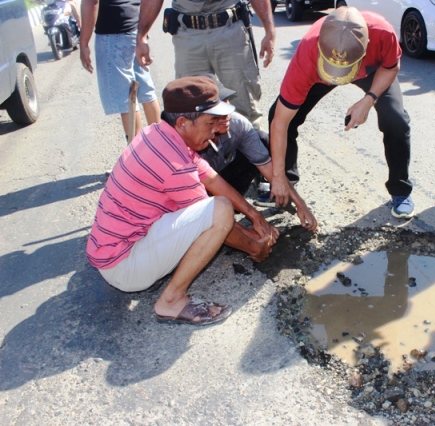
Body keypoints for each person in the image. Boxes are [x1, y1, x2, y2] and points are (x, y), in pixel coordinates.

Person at [86, 77, 280, 325]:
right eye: (210, 122)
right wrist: (256, 247)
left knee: (216, 206)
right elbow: (214, 217)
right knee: (219, 209)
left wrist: (255, 216)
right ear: (182, 123)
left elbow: (210, 177)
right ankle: (171, 301)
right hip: (124, 266)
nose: (215, 130)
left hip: (119, 248)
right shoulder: (173, 164)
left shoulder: (158, 133)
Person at [266, 6, 415, 219]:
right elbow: (280, 122)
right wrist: (277, 175)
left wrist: (369, 100)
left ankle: (400, 191)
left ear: (367, 46)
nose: (341, 78)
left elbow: (391, 66)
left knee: (396, 120)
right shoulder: (308, 52)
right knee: (279, 114)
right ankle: (286, 185)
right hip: (319, 71)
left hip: (371, 71)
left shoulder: (384, 34)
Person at [197, 77, 318, 229]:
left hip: (220, 178)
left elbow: (266, 165)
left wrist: (301, 204)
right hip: (196, 193)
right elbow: (208, 183)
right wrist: (252, 221)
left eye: (226, 102)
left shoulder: (237, 124)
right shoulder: (188, 141)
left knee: (262, 140)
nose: (226, 113)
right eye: (217, 110)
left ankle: (231, 207)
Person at [135, 0, 275, 130]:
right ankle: (197, 156)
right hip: (188, 34)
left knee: (245, 111)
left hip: (229, 29)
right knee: (190, 113)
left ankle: (251, 155)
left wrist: (270, 31)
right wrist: (141, 35)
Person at [80, 0, 161, 142]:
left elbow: (91, 2)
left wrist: (84, 42)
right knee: (145, 91)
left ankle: (137, 155)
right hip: (135, 27)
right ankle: (162, 143)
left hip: (113, 31)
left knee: (127, 99)